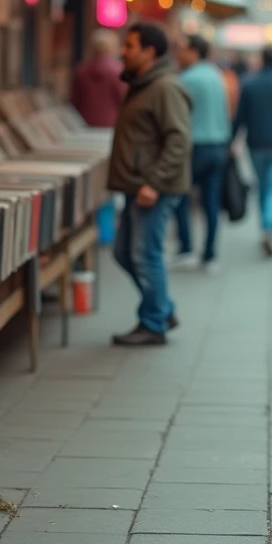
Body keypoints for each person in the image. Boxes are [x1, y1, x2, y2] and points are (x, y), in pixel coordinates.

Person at [107, 22, 192, 346]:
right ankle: (162, 309)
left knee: (144, 255)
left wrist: (154, 182)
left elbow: (179, 139)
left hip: (154, 189)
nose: (123, 51)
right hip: (139, 186)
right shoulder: (143, 84)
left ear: (149, 52)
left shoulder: (163, 87)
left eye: (129, 46)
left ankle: (154, 323)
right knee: (124, 253)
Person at [173, 35, 232, 273]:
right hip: (218, 145)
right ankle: (210, 255)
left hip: (194, 146)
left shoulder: (186, 79)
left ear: (195, 52)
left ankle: (186, 248)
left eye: (183, 50)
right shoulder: (217, 75)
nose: (179, 54)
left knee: (179, 197)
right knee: (210, 204)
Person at [233, 44, 272, 256]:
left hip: (255, 143)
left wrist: (233, 139)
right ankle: (269, 225)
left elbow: (240, 116)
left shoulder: (249, 84)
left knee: (261, 185)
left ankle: (265, 226)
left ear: (261, 59)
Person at [69, 31, 126, 128]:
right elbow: (123, 100)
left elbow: (74, 101)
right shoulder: (119, 72)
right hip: (112, 123)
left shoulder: (81, 71)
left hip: (85, 122)